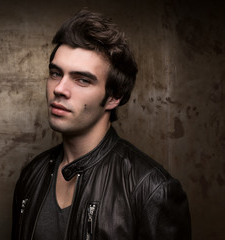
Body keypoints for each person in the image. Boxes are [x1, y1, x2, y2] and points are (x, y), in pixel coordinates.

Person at [12, 9, 191, 240]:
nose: (59, 89)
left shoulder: (152, 190)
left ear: (113, 97)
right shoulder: (31, 175)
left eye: (82, 80)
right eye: (56, 73)